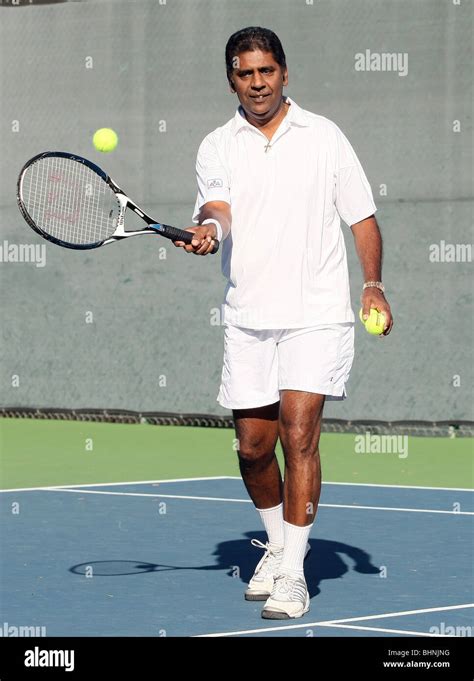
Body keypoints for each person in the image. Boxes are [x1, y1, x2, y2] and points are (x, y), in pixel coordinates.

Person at [174, 26, 393, 620]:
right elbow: (217, 209)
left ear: (284, 73)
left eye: (266, 71)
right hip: (248, 318)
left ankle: (293, 572)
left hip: (317, 315)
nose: (257, 83)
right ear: (232, 81)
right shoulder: (217, 144)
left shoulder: (325, 137)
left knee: (300, 436)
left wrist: (371, 284)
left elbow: (362, 219)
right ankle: (275, 543)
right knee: (252, 448)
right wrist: (210, 232)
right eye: (245, 74)